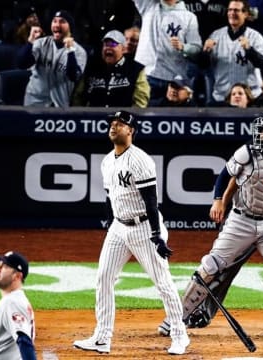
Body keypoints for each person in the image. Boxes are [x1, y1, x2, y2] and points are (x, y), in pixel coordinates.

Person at [158, 107, 263, 336]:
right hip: (241, 221)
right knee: (212, 267)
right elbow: (228, 175)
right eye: (262, 130)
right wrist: (219, 201)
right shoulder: (247, 153)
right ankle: (177, 318)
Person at [73, 110, 190, 355]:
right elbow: (110, 196)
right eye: (112, 124)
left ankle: (180, 335)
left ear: (131, 131)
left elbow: (151, 200)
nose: (114, 127)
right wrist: (110, 222)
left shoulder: (140, 160)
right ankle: (102, 338)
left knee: (163, 282)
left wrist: (157, 235)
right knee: (103, 278)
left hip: (144, 226)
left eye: (120, 124)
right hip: (119, 227)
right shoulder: (107, 161)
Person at [204, 0, 263, 103]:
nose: (232, 13)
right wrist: (205, 53)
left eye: (236, 10)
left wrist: (250, 51)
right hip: (221, 97)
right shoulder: (216, 36)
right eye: (230, 10)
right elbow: (203, 66)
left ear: (245, 14)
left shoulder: (255, 37)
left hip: (250, 97)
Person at [133, 0, 203, 100]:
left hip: (173, 82)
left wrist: (183, 47)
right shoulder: (148, 6)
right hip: (145, 77)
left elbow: (197, 50)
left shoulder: (189, 17)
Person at [16, 10, 88, 107]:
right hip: (34, 103)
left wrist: (70, 51)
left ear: (70, 27)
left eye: (62, 21)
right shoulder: (41, 43)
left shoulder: (79, 51)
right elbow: (21, 64)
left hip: (59, 107)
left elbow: (73, 76)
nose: (57, 25)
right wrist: (30, 41)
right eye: (54, 21)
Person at [72, 30, 149, 107]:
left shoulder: (136, 69)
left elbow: (141, 101)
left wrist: (128, 117)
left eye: (113, 44)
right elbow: (78, 96)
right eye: (105, 44)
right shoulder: (91, 67)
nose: (108, 47)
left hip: (121, 117)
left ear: (123, 48)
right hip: (95, 117)